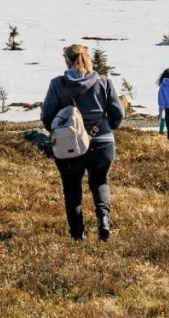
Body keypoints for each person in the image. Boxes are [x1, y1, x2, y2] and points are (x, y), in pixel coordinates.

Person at [41, 44, 125, 241]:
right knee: (100, 182)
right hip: (103, 142)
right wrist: (106, 126)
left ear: (66, 61)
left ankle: (78, 236)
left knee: (72, 189)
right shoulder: (104, 82)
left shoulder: (58, 84)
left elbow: (47, 116)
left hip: (69, 144)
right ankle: (103, 220)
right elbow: (118, 114)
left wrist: (55, 131)